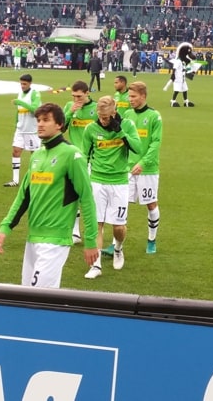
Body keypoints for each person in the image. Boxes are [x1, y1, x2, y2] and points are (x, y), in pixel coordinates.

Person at [0, 103, 99, 288]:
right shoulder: (37, 155)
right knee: (30, 298)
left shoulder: (72, 155)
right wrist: (6, 227)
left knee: (37, 297)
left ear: (59, 124)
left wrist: (90, 241)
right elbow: (23, 196)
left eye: (46, 120)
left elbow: (87, 199)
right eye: (38, 120)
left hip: (56, 241)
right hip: (33, 237)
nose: (40, 124)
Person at [82, 96, 142, 279]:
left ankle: (118, 248)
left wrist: (121, 133)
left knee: (118, 227)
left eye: (107, 117)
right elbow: (84, 156)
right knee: (97, 224)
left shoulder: (127, 125)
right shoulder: (91, 129)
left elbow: (138, 148)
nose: (103, 120)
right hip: (97, 181)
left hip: (119, 183)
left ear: (114, 112)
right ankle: (96, 265)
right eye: (100, 117)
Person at [122, 81, 163, 254]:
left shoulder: (154, 116)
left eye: (133, 96)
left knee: (151, 204)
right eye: (129, 96)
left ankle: (152, 239)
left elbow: (156, 143)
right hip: (128, 168)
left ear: (143, 96)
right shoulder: (127, 114)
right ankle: (116, 244)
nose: (130, 99)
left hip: (148, 170)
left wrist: (143, 163)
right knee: (121, 204)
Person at [62, 80, 97, 243]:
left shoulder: (96, 108)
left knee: (88, 196)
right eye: (73, 96)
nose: (76, 99)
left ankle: (93, 232)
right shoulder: (70, 106)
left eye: (79, 96)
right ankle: (75, 232)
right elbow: (61, 128)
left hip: (92, 159)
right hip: (73, 158)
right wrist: (70, 112)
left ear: (87, 93)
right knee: (73, 194)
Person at [4, 73, 42, 187]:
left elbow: (35, 109)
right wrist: (16, 122)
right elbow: (19, 110)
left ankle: (37, 178)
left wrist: (20, 102)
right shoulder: (20, 93)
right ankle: (15, 180)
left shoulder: (35, 94)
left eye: (24, 84)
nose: (22, 86)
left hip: (31, 130)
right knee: (15, 151)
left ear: (30, 83)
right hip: (20, 129)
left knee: (35, 155)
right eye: (21, 83)